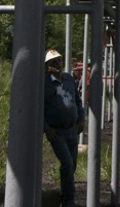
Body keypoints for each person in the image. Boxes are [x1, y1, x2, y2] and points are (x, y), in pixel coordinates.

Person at [44, 49, 85, 207]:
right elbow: (39, 108)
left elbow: (77, 100)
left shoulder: (69, 78)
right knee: (67, 163)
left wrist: (81, 119)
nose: (58, 65)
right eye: (53, 63)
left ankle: (64, 195)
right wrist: (47, 128)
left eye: (59, 61)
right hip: (57, 131)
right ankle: (69, 201)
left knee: (71, 165)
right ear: (48, 67)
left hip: (72, 130)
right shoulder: (45, 84)